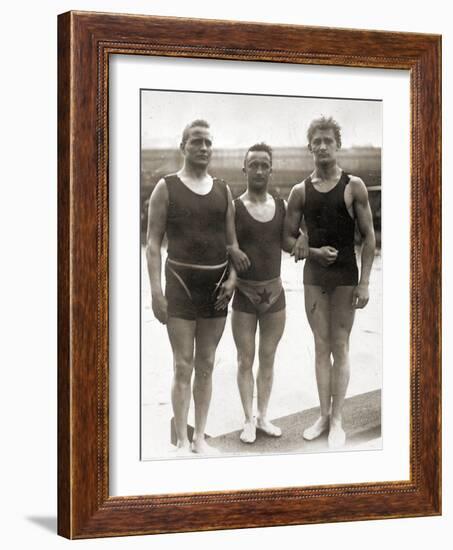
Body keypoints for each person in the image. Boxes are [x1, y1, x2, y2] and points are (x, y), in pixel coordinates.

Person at [146, 120, 250, 456]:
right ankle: (179, 441)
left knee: (206, 364)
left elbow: (232, 244)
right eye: (196, 142)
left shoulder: (222, 190)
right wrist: (155, 292)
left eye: (208, 142)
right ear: (183, 147)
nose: (203, 148)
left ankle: (200, 438)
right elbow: (152, 245)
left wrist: (234, 279)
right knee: (182, 365)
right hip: (179, 284)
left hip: (217, 286)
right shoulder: (166, 187)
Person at [284, 116, 376, 448]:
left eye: (328, 140)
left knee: (341, 345)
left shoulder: (354, 186)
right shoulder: (299, 191)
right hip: (314, 277)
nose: (322, 146)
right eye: (317, 141)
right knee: (321, 347)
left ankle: (338, 420)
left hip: (345, 275)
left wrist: (365, 282)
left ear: (337, 145)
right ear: (309, 147)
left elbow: (369, 238)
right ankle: (323, 415)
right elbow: (287, 238)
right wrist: (310, 251)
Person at [232, 143, 287, 444]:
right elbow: (226, 245)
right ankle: (247, 419)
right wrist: (233, 251)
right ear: (244, 168)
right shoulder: (235, 206)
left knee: (268, 358)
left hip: (275, 292)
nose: (258, 169)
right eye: (253, 164)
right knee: (244, 359)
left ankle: (263, 416)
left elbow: (291, 241)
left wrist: (305, 240)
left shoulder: (281, 205)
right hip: (244, 294)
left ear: (270, 169)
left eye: (264, 164)